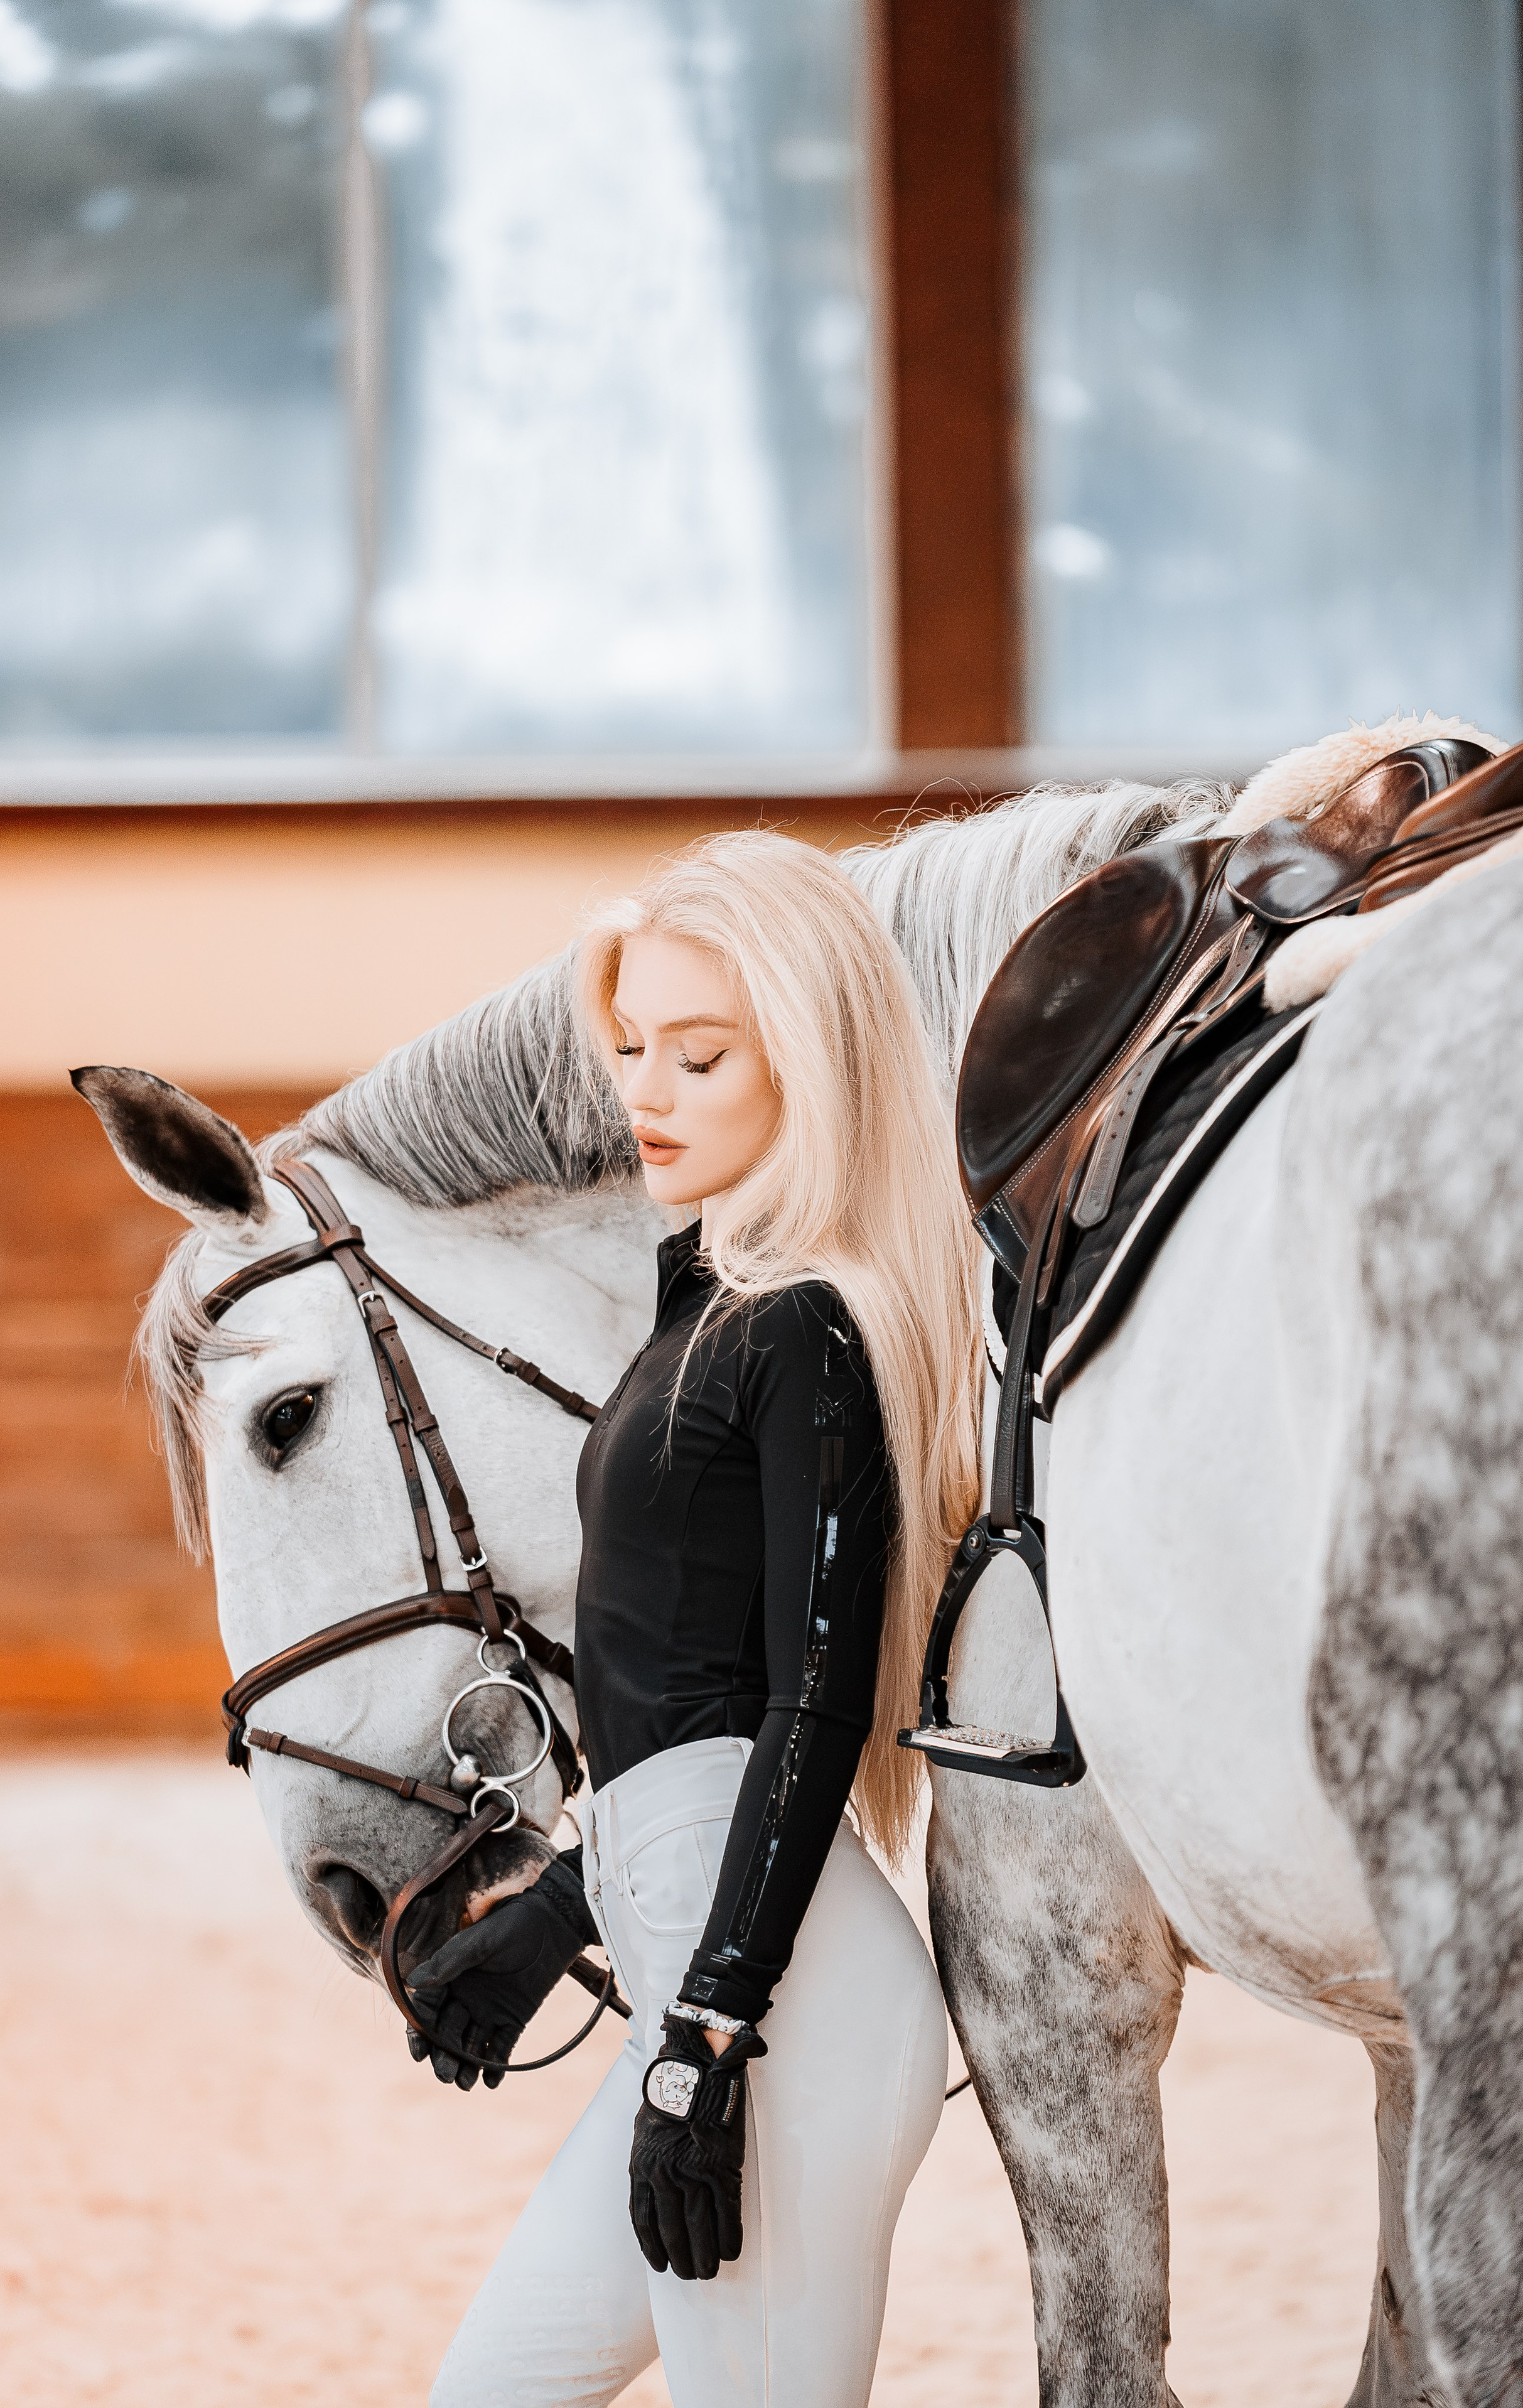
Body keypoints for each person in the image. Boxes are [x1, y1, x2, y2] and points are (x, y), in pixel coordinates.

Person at [408, 831, 982, 2407]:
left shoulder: (808, 1328)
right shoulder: (698, 1309)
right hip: (709, 1983)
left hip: (772, 2015)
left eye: (701, 1052)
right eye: (632, 1049)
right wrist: (555, 1912)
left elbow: (802, 1710)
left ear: (806, 1062)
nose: (647, 1093)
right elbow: (684, 1689)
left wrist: (703, 2040)